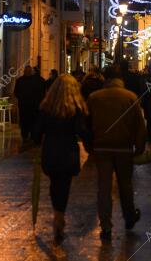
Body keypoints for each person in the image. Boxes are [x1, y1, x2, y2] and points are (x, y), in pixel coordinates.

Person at [87, 65, 146, 240]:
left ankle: (106, 225)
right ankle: (129, 216)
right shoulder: (130, 97)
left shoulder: (94, 97)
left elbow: (86, 122)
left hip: (102, 148)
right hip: (123, 148)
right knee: (125, 185)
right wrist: (139, 146)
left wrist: (90, 144)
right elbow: (139, 125)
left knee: (103, 188)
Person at [33, 74, 90, 245]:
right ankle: (59, 216)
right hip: (68, 153)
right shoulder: (75, 109)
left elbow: (36, 132)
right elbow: (82, 130)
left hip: (50, 152)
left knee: (54, 183)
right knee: (64, 185)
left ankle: (58, 214)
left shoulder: (47, 108)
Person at [14, 65, 38, 142]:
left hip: (24, 105)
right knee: (30, 120)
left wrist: (21, 98)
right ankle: (29, 135)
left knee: (25, 120)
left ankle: (25, 135)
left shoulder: (19, 80)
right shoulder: (34, 81)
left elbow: (16, 92)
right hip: (30, 105)